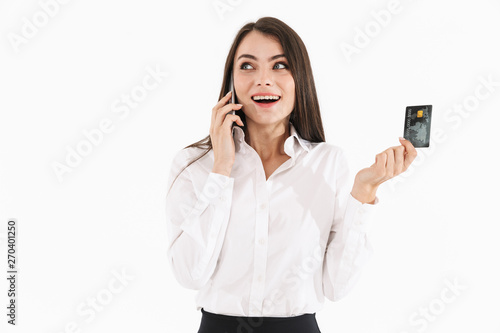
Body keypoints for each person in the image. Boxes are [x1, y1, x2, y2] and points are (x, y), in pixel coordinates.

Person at [165, 16, 417, 333]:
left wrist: (364, 191)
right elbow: (189, 275)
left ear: (300, 78)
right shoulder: (194, 164)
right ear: (231, 82)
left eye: (279, 65)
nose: (263, 79)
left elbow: (337, 286)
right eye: (247, 66)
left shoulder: (328, 162)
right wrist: (222, 168)